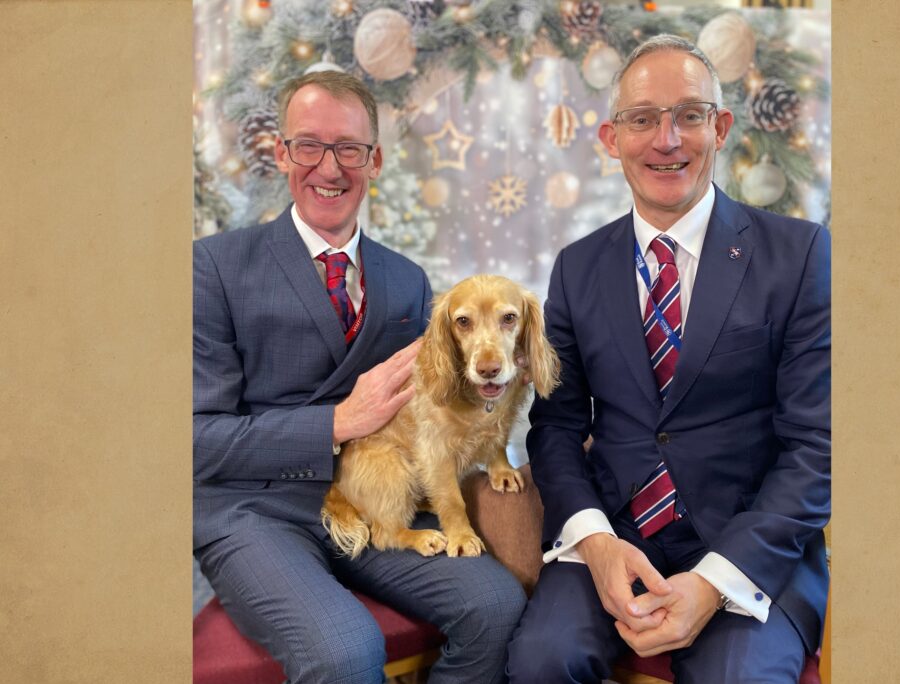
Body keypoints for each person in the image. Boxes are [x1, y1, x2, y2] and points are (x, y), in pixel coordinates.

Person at [507, 35, 830, 683]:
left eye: (689, 114)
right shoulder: (577, 268)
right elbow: (558, 428)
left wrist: (712, 583)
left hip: (749, 546)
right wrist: (596, 544)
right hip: (615, 535)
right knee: (541, 663)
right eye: (642, 119)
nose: (666, 139)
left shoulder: (798, 256)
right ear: (610, 138)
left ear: (721, 127)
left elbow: (816, 448)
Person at [193, 70, 525, 684]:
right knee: (345, 651)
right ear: (281, 152)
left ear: (374, 161)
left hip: (380, 500)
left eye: (349, 148)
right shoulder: (213, 266)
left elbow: (432, 416)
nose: (330, 167)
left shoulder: (407, 282)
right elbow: (194, 440)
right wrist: (339, 422)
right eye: (310, 145)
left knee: (498, 608)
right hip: (257, 512)